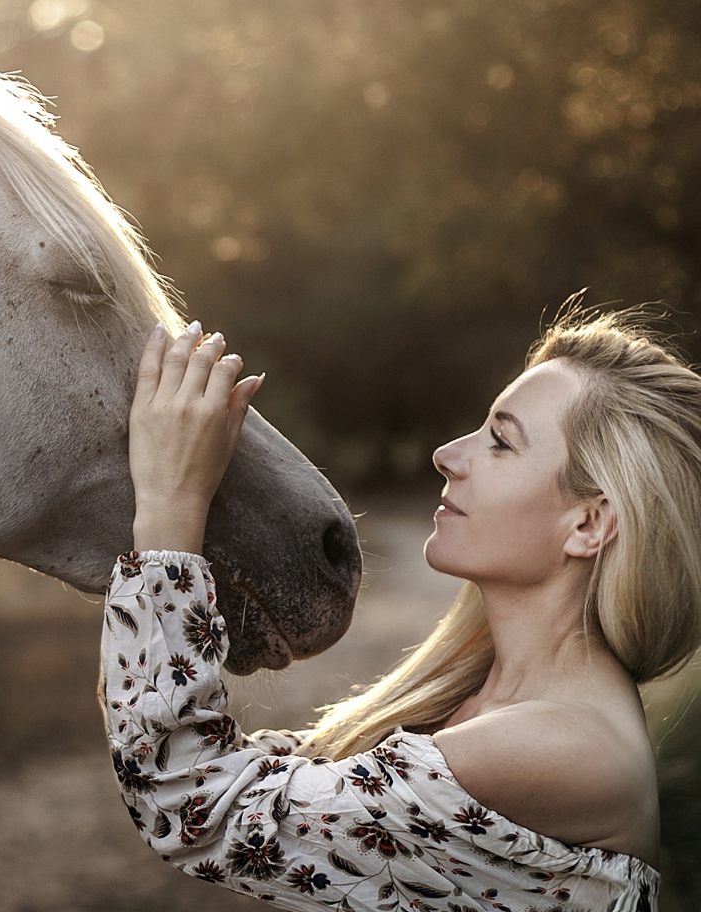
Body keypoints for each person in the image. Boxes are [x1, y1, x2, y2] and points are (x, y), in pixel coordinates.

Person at [100, 305, 701, 911]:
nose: (447, 453)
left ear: (588, 523)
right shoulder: (488, 706)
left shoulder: (561, 748)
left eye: (500, 441)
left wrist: (169, 501)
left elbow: (191, 805)